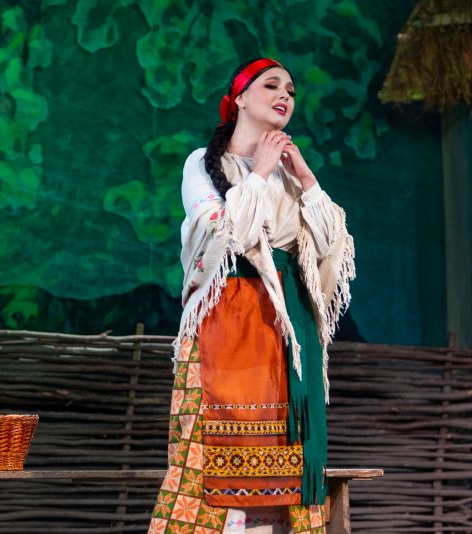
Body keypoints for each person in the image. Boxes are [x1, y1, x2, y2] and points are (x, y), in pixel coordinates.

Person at [149, 57, 355, 534]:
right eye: (271, 86)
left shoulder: (290, 176)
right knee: (210, 458)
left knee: (286, 463)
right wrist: (259, 171)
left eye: (291, 91)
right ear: (239, 98)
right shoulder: (203, 163)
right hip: (226, 323)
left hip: (285, 331)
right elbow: (228, 235)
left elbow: (331, 246)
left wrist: (306, 178)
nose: (285, 95)